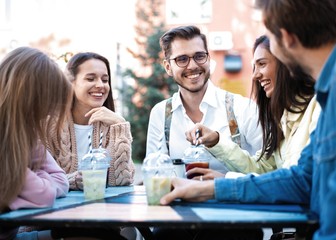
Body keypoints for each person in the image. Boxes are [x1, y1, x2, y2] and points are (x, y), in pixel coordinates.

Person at [160, 0, 336, 239]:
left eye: (270, 39)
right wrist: (208, 189)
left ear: (287, 38)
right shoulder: (335, 85)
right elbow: (302, 179)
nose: (255, 74)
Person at [186, 35, 320, 181]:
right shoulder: (282, 120)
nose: (255, 75)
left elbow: (299, 182)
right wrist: (216, 141)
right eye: (254, 67)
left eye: (262, 64)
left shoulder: (317, 108)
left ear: (285, 62)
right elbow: (261, 168)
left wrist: (226, 179)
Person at [146, 25, 262, 174]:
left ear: (208, 58)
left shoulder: (243, 108)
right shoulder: (160, 114)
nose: (193, 65)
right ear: (168, 67)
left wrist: (222, 182)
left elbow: (269, 171)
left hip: (232, 198)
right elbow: (155, 174)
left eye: (199, 56)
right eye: (182, 59)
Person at [0, 47, 72, 239]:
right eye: (49, 100)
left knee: (92, 233)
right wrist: (38, 181)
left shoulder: (26, 133)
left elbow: (60, 180)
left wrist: (34, 176)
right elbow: (45, 195)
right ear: (30, 96)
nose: (50, 111)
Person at [46, 52, 135, 191]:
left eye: (105, 80)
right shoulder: (48, 126)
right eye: (90, 79)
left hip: (108, 208)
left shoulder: (114, 126)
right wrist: (72, 180)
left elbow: (122, 180)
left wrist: (120, 126)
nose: (100, 85)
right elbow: (37, 178)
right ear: (70, 82)